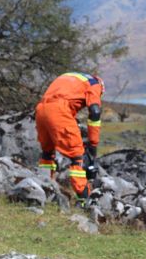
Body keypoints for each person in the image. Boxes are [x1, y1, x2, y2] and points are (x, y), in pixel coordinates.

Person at [35, 72, 105, 204]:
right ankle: (84, 199)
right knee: (77, 156)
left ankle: (43, 189)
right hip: (59, 110)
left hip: (41, 109)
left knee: (47, 154)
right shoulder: (94, 84)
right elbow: (95, 112)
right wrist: (93, 144)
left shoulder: (71, 77)